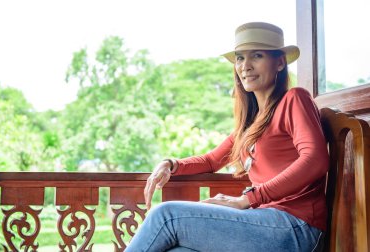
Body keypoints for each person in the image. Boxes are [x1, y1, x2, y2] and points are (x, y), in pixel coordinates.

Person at [125, 22, 329, 252]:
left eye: (257, 56)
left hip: (296, 227)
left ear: (280, 62)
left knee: (166, 216)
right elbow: (211, 161)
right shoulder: (251, 124)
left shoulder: (294, 99)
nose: (245, 66)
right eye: (240, 58)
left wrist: (248, 199)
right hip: (265, 222)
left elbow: (316, 159)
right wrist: (170, 164)